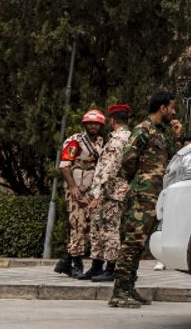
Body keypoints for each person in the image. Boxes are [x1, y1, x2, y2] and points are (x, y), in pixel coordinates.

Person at [109, 92, 181, 309]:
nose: (174, 111)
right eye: (172, 107)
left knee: (139, 246)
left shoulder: (162, 133)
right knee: (132, 243)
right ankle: (119, 293)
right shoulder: (143, 130)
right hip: (142, 195)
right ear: (162, 108)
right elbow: (127, 160)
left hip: (155, 196)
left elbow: (172, 160)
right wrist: (139, 181)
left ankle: (129, 287)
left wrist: (176, 136)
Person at [80, 104, 132, 283]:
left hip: (110, 192)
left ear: (112, 121)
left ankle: (110, 267)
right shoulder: (127, 137)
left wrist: (97, 193)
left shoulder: (117, 140)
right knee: (98, 227)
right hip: (112, 191)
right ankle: (96, 265)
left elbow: (108, 168)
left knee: (109, 229)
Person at [54, 109, 106, 278]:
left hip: (91, 189)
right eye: (90, 123)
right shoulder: (75, 141)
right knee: (78, 225)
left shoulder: (100, 142)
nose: (93, 126)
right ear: (84, 124)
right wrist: (72, 187)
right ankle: (76, 263)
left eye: (96, 123)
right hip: (76, 188)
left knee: (90, 227)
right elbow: (64, 165)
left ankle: (65, 261)